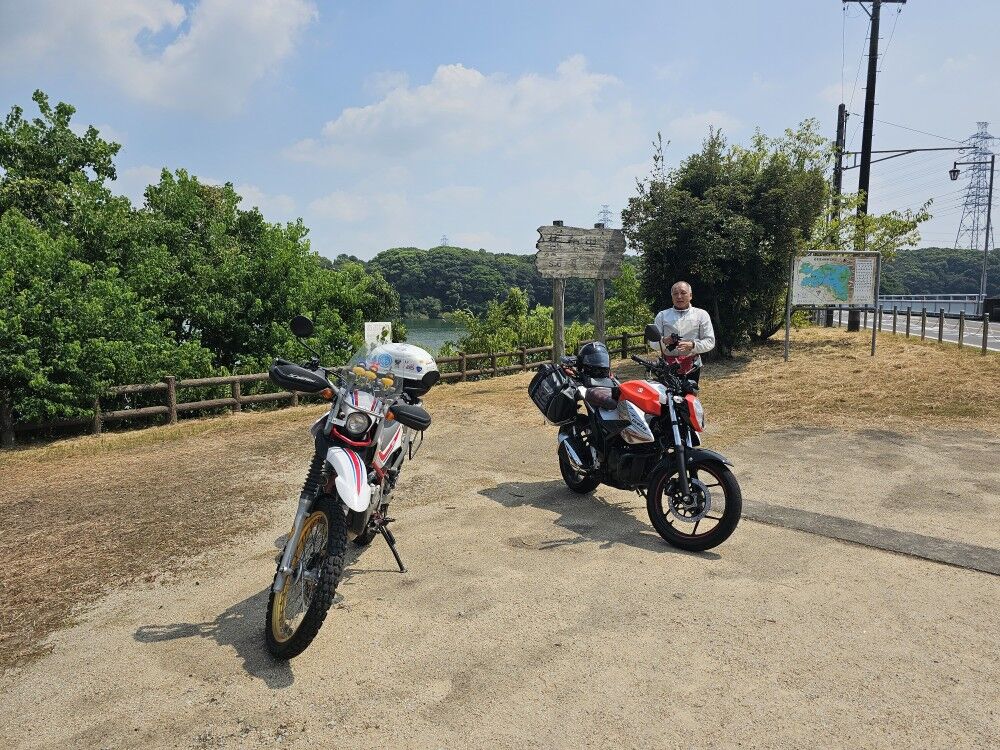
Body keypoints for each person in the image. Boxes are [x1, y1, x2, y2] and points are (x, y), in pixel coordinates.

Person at [647, 281, 715, 383]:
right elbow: (652, 343)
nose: (679, 297)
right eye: (675, 294)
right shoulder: (662, 316)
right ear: (672, 297)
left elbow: (710, 341)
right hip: (667, 365)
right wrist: (664, 341)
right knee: (667, 392)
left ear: (690, 295)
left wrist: (693, 345)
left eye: (683, 293)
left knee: (689, 392)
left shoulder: (701, 315)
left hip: (692, 365)